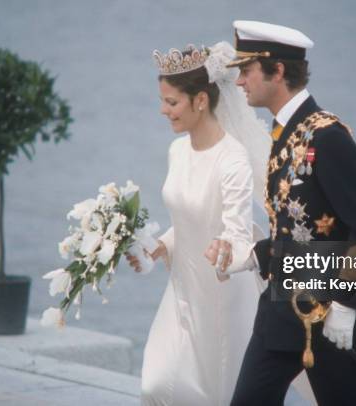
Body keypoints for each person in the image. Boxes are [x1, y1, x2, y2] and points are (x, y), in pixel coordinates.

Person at [227, 21, 356, 406]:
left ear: (277, 71)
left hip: (331, 316)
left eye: (246, 71)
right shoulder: (287, 131)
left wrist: (348, 305)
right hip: (283, 310)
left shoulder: (327, 138)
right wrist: (259, 254)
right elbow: (303, 225)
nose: (239, 82)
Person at [126, 41, 268, 406]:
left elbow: (237, 233)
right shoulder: (177, 151)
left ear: (200, 100)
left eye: (171, 102)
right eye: (163, 101)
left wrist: (226, 250)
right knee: (155, 386)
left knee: (211, 396)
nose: (163, 110)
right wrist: (160, 247)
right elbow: (187, 218)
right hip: (180, 292)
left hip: (221, 298)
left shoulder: (233, 160)